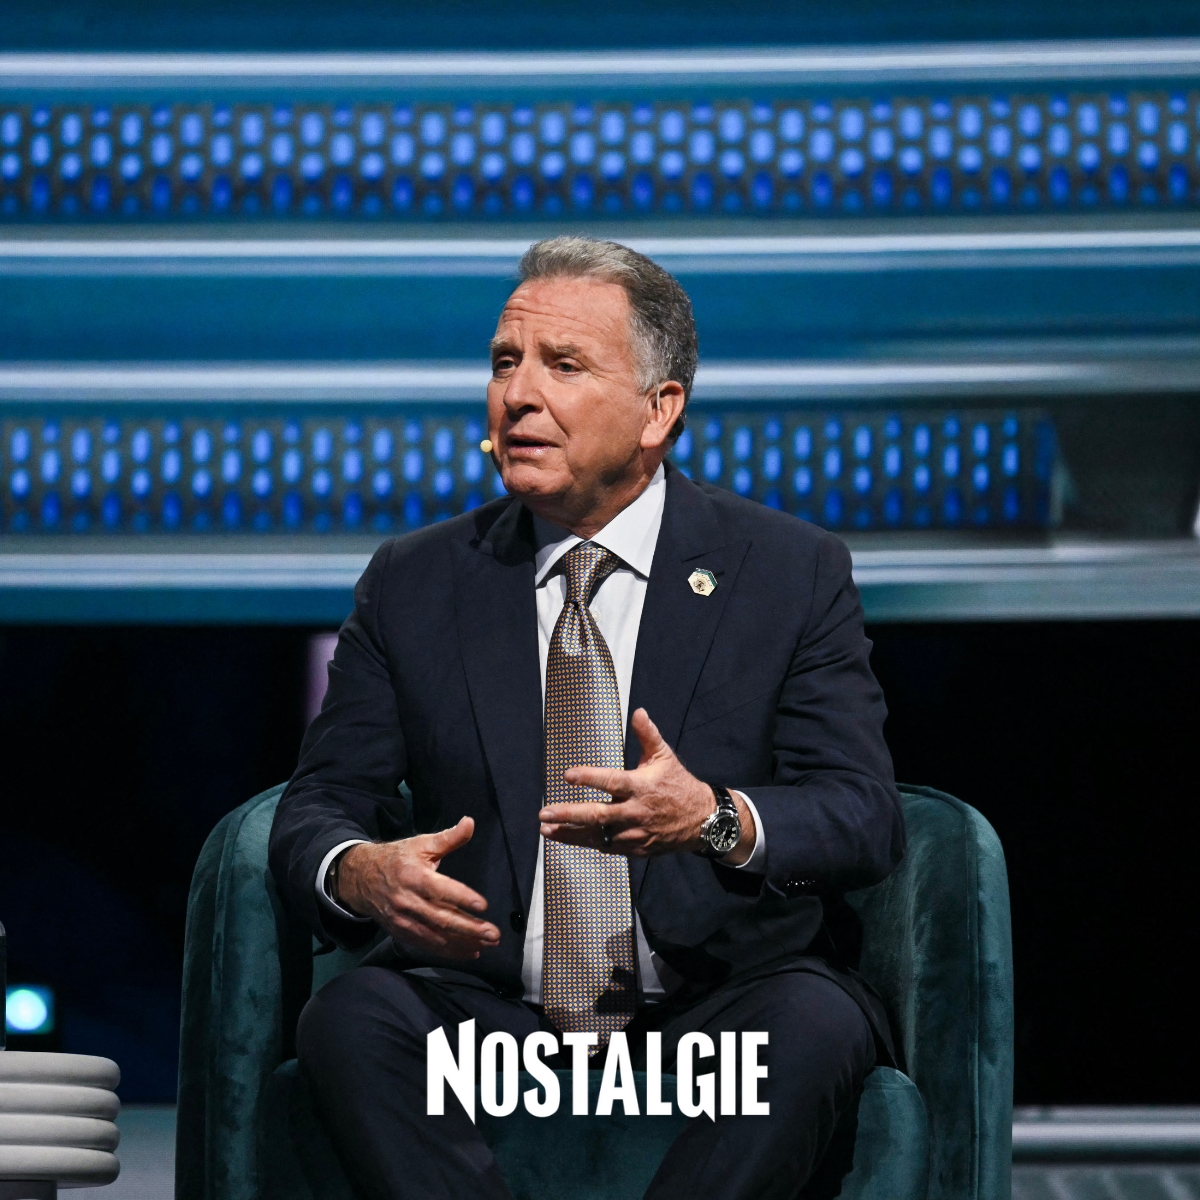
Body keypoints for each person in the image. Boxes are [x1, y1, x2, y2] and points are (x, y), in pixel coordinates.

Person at [268, 235, 904, 1200]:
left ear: (660, 410)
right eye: (504, 362)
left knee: (817, 1025)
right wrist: (360, 872)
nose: (517, 395)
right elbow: (319, 803)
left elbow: (861, 814)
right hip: (492, 1016)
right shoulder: (416, 581)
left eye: (563, 365)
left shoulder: (787, 571)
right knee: (351, 1021)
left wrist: (711, 819)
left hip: (714, 1011)